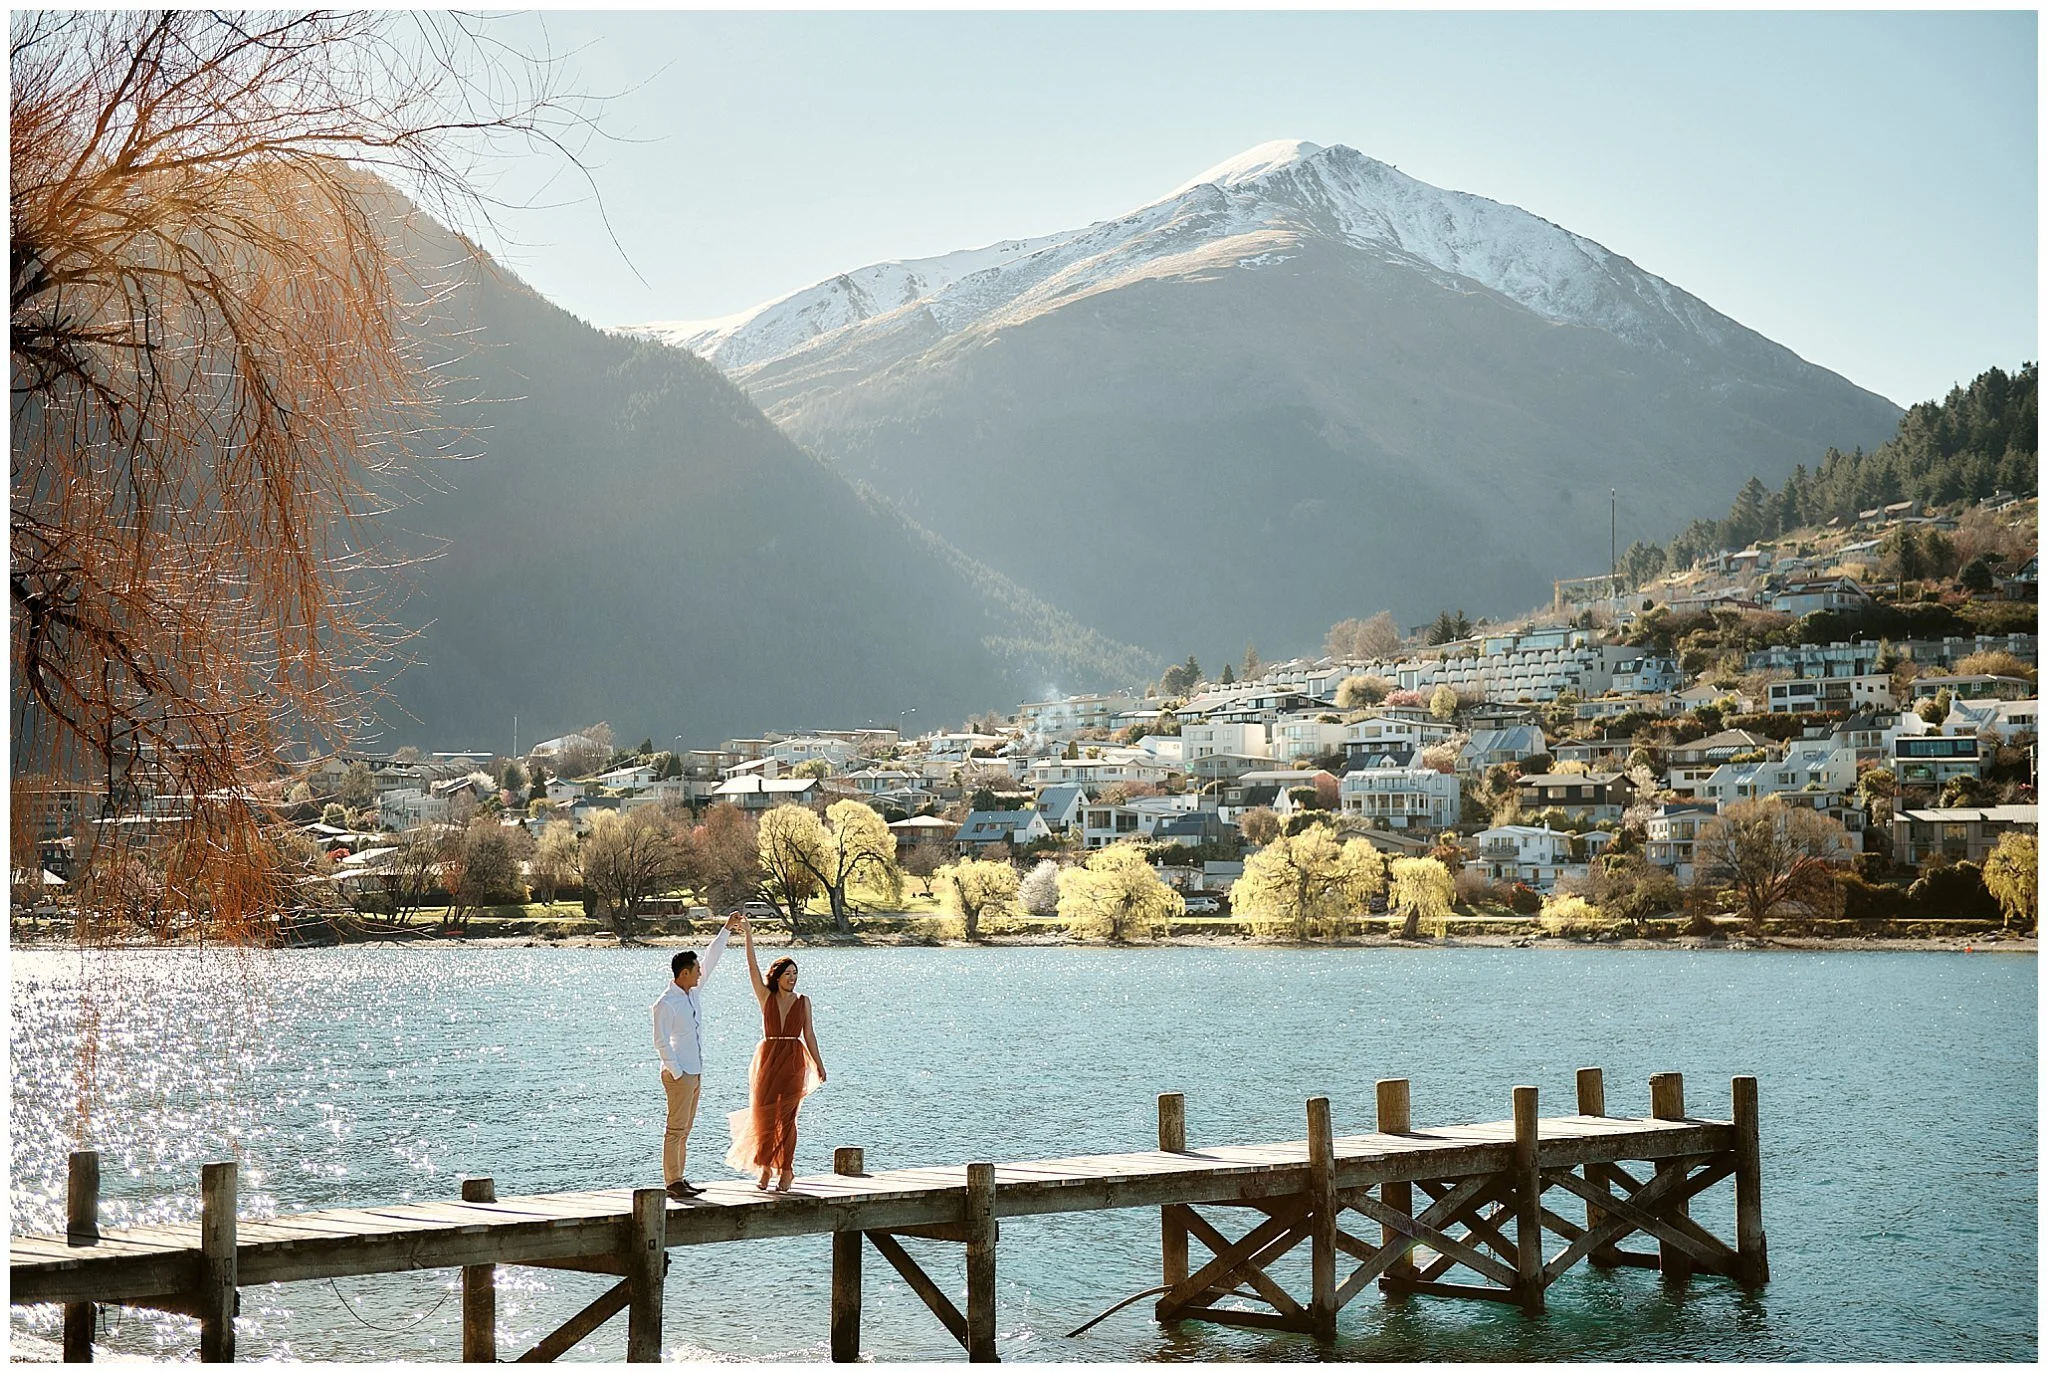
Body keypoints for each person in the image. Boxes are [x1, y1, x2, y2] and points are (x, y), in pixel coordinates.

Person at [725, 912, 827, 1191]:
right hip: (768, 1059)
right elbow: (752, 969)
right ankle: (765, 1168)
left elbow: (810, 1035)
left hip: (794, 1059)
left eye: (795, 974)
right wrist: (747, 934)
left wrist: (819, 1065)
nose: (792, 978)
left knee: (787, 1119)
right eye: (788, 974)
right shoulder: (766, 997)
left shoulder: (803, 1002)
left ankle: (786, 1170)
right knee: (763, 1114)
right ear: (777, 976)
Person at [651, 913, 741, 1200]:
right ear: (684, 973)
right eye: (696, 970)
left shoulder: (692, 993)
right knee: (675, 1128)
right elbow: (660, 1041)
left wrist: (726, 929)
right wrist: (677, 1071)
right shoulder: (665, 1003)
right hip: (680, 1075)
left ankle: (679, 1179)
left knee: (685, 1129)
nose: (701, 973)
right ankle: (672, 1182)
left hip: (694, 1071)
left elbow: (711, 958)